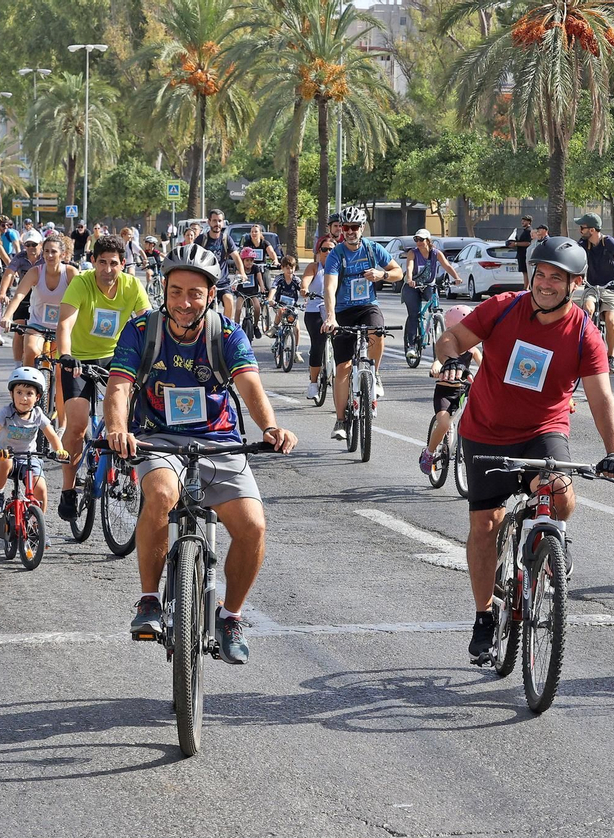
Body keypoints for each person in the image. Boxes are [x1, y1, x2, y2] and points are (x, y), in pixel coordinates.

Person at [431, 236, 614, 662]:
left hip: (543, 428)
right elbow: (452, 338)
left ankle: (555, 538)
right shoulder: (503, 308)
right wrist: (449, 360)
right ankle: (484, 616)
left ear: (574, 284)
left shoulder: (584, 334)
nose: (546, 283)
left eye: (557, 277)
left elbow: (601, 398)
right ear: (531, 275)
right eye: (541, 274)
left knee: (557, 487)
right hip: (485, 431)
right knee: (484, 527)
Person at [102, 243, 297, 660]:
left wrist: (270, 426)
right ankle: (150, 600)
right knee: (160, 495)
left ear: (211, 294)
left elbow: (249, 385)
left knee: (253, 527)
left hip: (220, 440)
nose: (184, 302)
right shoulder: (141, 331)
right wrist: (118, 429)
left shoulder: (226, 333)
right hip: (157, 437)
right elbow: (119, 386)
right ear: (164, 290)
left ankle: (231, 617)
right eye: (176, 292)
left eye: (195, 293)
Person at [54, 236, 151, 522]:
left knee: (125, 416)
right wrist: (66, 355)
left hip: (115, 359)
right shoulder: (82, 283)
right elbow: (65, 322)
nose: (108, 269)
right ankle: (69, 489)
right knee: (77, 424)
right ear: (93, 262)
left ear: (123, 264)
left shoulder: (132, 286)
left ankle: (124, 467)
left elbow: (146, 323)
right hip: (79, 360)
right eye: (103, 263)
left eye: (114, 263)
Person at [320, 205, 403, 441]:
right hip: (344, 310)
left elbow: (398, 272)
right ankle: (340, 421)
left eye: (354, 227)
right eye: (345, 228)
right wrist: (331, 317)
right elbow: (330, 287)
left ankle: (374, 374)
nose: (349, 231)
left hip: (367, 306)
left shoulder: (372, 249)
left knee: (378, 330)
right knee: (343, 367)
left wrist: (381, 275)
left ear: (362, 228)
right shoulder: (336, 255)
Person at [0, 366, 68, 514]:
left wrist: (59, 450)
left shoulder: (37, 414)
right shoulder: (6, 412)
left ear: (38, 397)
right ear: (12, 394)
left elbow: (52, 435)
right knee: (5, 458)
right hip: (5, 457)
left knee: (40, 488)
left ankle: (37, 526)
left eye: (29, 393)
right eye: (19, 392)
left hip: (29, 458)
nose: (24, 398)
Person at [1, 234, 78, 368]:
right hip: (37, 324)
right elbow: (19, 295)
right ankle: (28, 384)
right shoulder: (35, 272)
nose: (49, 255)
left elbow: (82, 298)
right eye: (46, 251)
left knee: (62, 367)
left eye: (54, 252)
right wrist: (7, 316)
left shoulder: (71, 273)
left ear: (63, 254)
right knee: (31, 350)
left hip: (62, 326)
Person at [419, 305, 479, 474]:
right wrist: (436, 369)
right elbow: (438, 362)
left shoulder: (472, 350)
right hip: (445, 393)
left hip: (463, 391)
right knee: (445, 424)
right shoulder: (446, 347)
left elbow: (484, 364)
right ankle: (429, 453)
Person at [574, 213, 614, 371]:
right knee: (588, 310)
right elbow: (576, 259)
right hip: (591, 286)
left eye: (582, 227)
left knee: (611, 321)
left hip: (611, 288)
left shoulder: (608, 242)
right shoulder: (583, 244)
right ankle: (585, 349)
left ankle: (610, 356)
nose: (580, 230)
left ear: (592, 230)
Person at [402, 229, 462, 351]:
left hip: (429, 285)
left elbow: (447, 266)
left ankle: (436, 324)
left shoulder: (435, 253)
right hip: (412, 286)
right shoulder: (412, 253)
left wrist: (456, 278)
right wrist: (409, 279)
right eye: (416, 239)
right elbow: (409, 266)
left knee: (434, 306)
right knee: (414, 314)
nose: (418, 242)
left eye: (421, 239)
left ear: (428, 241)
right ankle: (412, 346)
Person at [0, 230, 44, 362]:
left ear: (41, 244)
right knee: (19, 329)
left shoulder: (47, 257)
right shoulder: (20, 257)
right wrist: (2, 293)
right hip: (24, 295)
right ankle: (18, 365)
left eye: (34, 245)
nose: (30, 248)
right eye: (27, 245)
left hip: (44, 296)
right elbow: (9, 274)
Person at [301, 233, 336, 399]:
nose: (328, 252)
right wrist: (305, 290)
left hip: (335, 310)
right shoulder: (314, 267)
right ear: (319, 251)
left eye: (331, 249)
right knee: (318, 342)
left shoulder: (339, 268)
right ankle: (314, 383)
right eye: (324, 249)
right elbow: (305, 282)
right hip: (315, 310)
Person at [198, 209, 243, 318]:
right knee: (202, 306)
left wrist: (242, 273)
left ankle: (225, 329)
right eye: (214, 221)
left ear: (222, 222)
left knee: (229, 301)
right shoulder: (202, 239)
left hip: (222, 281)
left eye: (219, 221)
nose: (217, 224)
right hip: (206, 281)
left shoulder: (226, 239)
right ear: (209, 222)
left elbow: (236, 257)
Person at [508, 214, 534, 289]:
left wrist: (516, 243)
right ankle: (526, 287)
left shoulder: (529, 231)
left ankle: (526, 288)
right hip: (522, 254)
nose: (522, 222)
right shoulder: (525, 230)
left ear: (529, 222)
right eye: (522, 220)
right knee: (524, 271)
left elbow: (528, 243)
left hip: (525, 254)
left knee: (526, 271)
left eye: (525, 220)